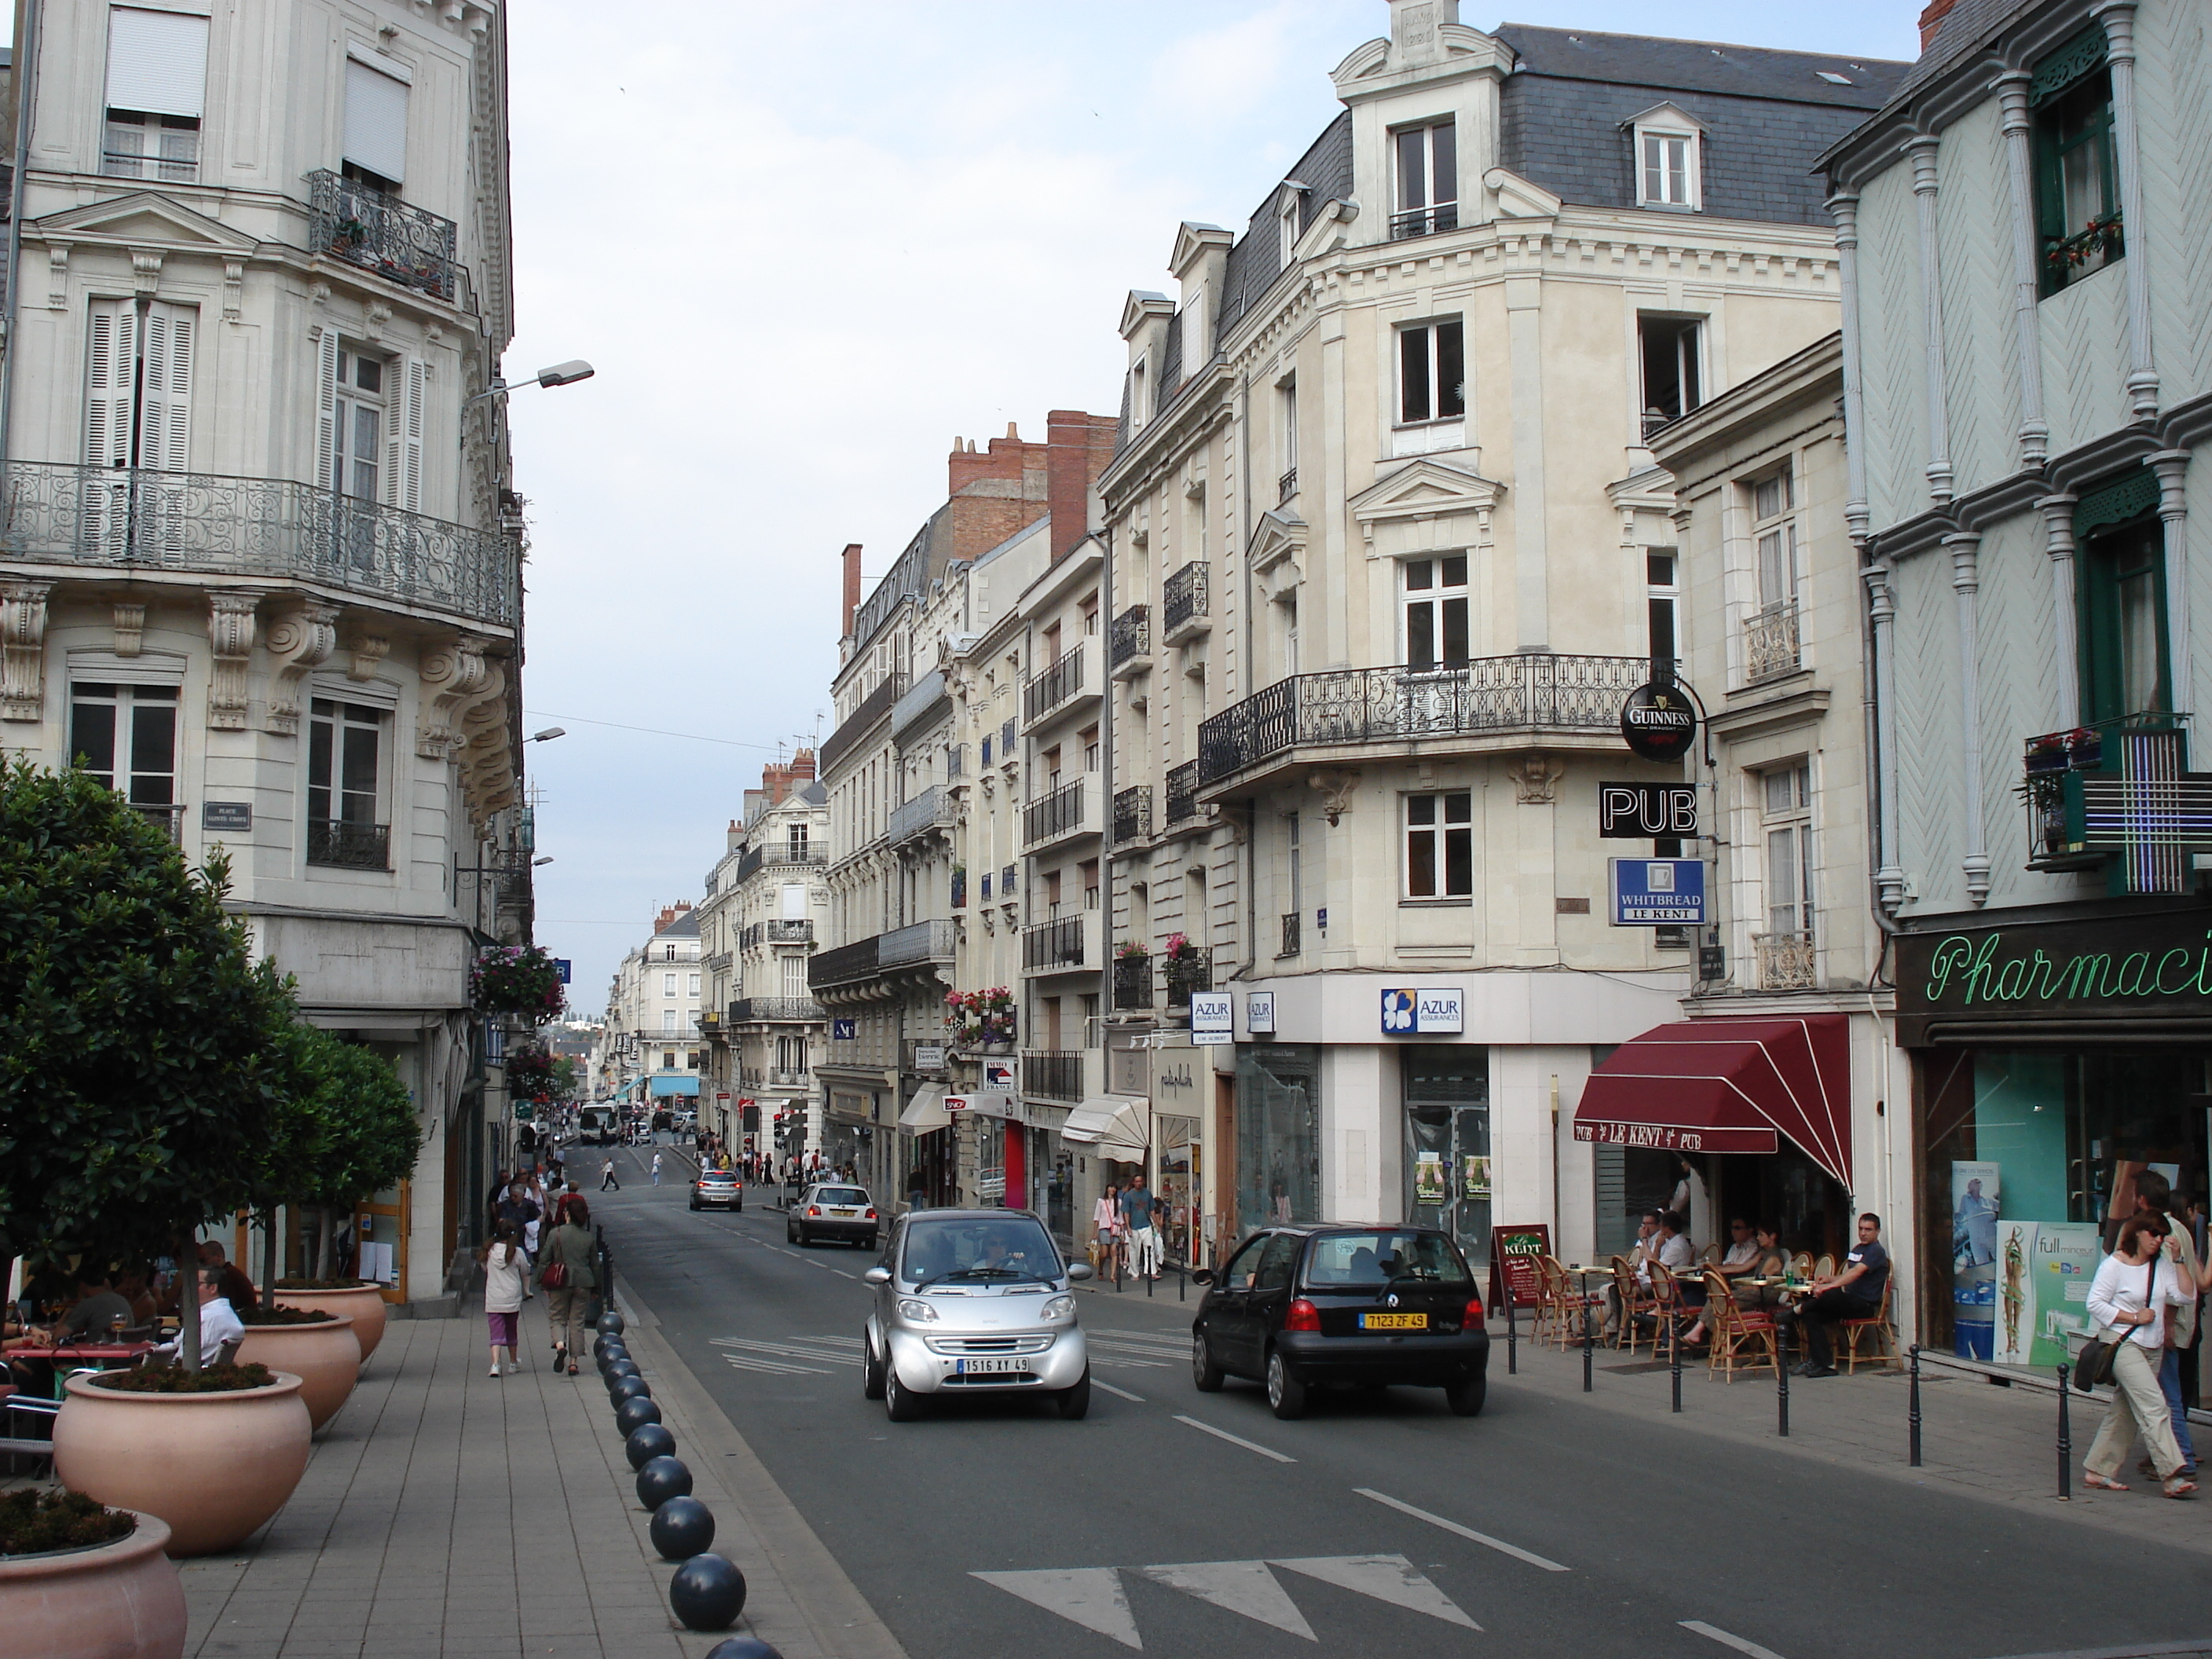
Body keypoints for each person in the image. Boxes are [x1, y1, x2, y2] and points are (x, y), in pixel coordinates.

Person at [2083, 1212, 2196, 1497]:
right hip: (2123, 1343)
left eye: (2162, 1235)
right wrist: (2133, 1317)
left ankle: (2099, 1470)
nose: (2158, 1240)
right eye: (2153, 1234)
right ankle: (2171, 1474)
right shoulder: (2115, 1265)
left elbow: (2185, 1297)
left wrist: (2179, 1259)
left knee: (2125, 1410)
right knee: (2154, 1405)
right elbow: (2095, 1304)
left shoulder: (2161, 1266)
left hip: (2153, 1345)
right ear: (2137, 1233)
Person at [2138, 1170, 2205, 1479]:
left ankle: (2183, 1459)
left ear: (2141, 1199)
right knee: (2163, 1395)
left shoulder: (2163, 1233)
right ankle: (2164, 1454)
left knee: (2168, 1396)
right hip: (2178, 1326)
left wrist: (2164, 1327)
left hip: (2168, 1328)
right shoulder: (2180, 1227)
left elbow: (2170, 1290)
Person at [1789, 1213, 1891, 1379]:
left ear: (1877, 1232)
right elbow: (1848, 1274)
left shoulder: (1876, 1251)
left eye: (1868, 1229)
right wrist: (1830, 1279)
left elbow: (1857, 1273)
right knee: (1812, 1314)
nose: (1863, 1233)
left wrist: (1829, 1286)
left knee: (1832, 1294)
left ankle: (1797, 1310)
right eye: (1861, 1229)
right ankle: (1823, 1364)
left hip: (1864, 1304)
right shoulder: (1857, 1250)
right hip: (1847, 1302)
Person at [537, 1196, 599, 1376]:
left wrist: (540, 1281)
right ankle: (573, 1362)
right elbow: (595, 1265)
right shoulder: (588, 1237)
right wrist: (596, 1288)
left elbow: (545, 1259)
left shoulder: (555, 1233)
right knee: (577, 1321)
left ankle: (560, 1345)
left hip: (560, 1281)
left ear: (567, 1215)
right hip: (583, 1282)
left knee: (557, 1317)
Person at [1682, 1218, 1765, 1346]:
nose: (1733, 1231)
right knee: (1708, 1296)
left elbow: (1739, 1267)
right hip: (1730, 1286)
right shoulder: (1734, 1247)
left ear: (1750, 1230)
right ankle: (1714, 1339)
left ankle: (1715, 1339)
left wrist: (1712, 1269)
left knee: (1716, 1299)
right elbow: (1727, 1265)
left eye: (1737, 1228)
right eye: (1732, 1228)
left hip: (1744, 1290)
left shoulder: (1756, 1248)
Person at [478, 1221, 526, 1378]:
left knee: (496, 1332)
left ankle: (495, 1365)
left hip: (494, 1296)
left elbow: (484, 1268)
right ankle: (513, 1363)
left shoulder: (489, 1251)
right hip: (512, 1296)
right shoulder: (517, 1252)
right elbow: (525, 1270)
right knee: (511, 1329)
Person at [196, 1240, 258, 1312]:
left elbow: (228, 1305)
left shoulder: (228, 1275)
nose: (201, 1265)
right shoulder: (231, 1272)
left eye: (203, 1260)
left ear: (218, 1257)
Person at [1123, 1177, 1161, 1280]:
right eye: (1137, 1181)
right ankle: (1135, 1273)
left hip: (1146, 1225)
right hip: (1134, 1227)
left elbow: (1152, 1210)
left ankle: (1152, 1271)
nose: (1139, 1183)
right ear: (1133, 1183)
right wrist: (1128, 1227)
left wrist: (1156, 1224)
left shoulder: (1147, 1193)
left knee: (1150, 1248)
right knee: (1134, 1250)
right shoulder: (1128, 1196)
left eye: (1140, 1181)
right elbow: (1126, 1213)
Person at [1092, 1184, 1121, 1276]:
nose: (1113, 1189)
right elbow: (1097, 1217)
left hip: (1115, 1229)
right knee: (1104, 1254)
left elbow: (1120, 1217)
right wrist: (1095, 1232)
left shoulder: (1119, 1202)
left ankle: (1113, 1274)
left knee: (1114, 1251)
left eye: (1114, 1188)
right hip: (1104, 1229)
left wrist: (1123, 1231)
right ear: (1107, 1189)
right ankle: (1101, 1268)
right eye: (1111, 1187)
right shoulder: (1101, 1201)